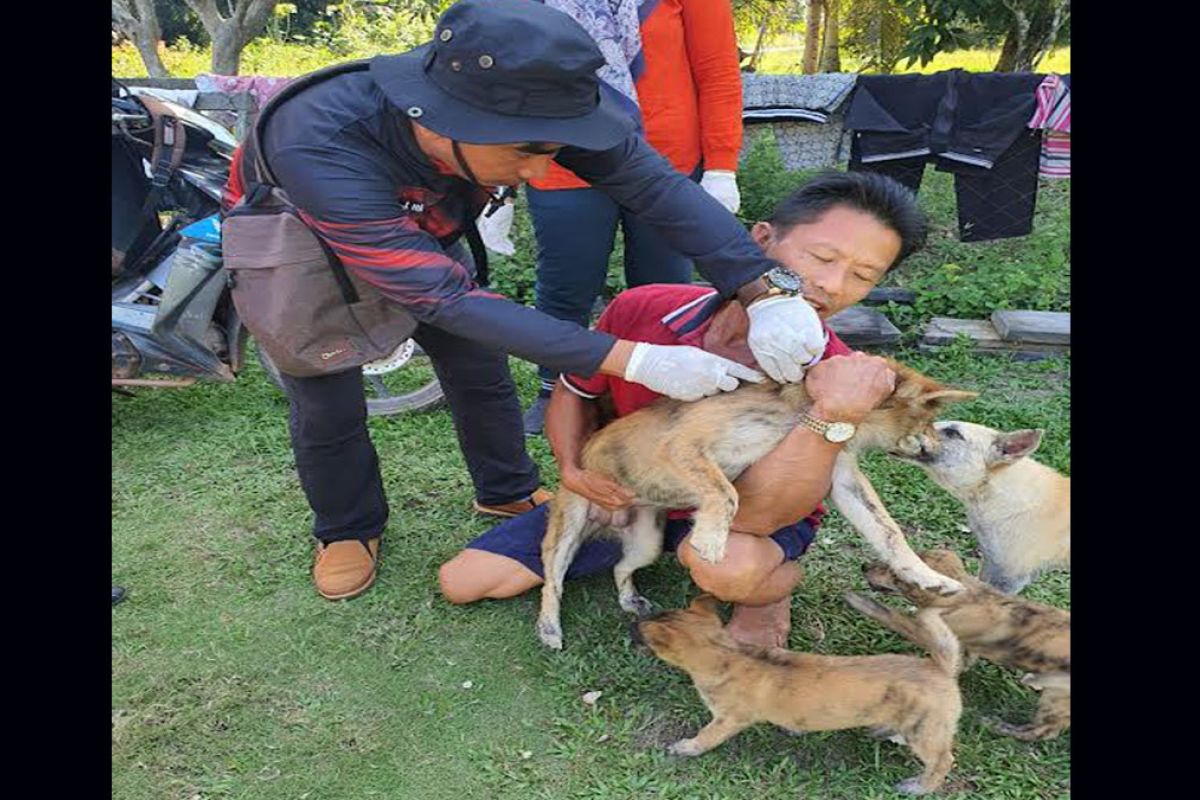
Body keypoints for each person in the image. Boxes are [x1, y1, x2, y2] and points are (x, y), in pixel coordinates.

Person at [221, 0, 827, 602]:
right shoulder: (320, 140)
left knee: (479, 364)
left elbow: (654, 185)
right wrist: (633, 360)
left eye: (552, 153)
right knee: (326, 390)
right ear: (441, 124)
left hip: (422, 227)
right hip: (301, 244)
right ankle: (347, 528)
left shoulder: (529, 107)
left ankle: (504, 485)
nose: (539, 175)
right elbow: (441, 295)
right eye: (523, 157)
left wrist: (765, 287)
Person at [438, 171, 927, 647]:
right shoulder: (646, 307)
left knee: (729, 568)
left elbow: (766, 513)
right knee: (465, 581)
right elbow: (573, 391)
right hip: (640, 488)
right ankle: (640, 549)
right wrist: (571, 470)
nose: (833, 285)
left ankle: (768, 591)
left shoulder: (837, 375)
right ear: (760, 241)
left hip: (749, 513)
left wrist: (835, 414)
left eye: (863, 276)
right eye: (821, 256)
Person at [515, 0, 745, 435]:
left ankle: (655, 394)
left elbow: (717, 72)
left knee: (663, 285)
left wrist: (721, 165)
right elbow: (506, 76)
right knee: (567, 285)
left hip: (665, 162)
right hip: (561, 159)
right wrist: (499, 185)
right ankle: (555, 390)